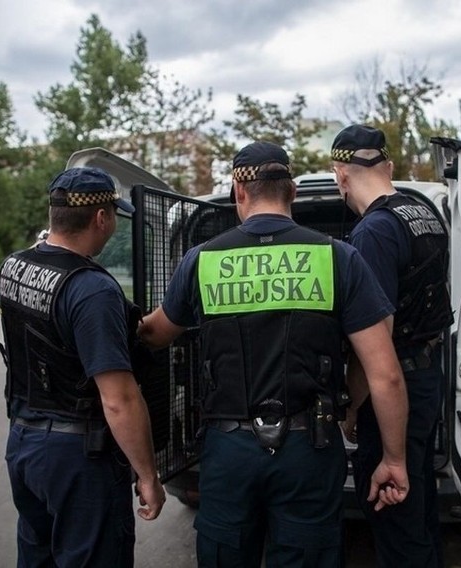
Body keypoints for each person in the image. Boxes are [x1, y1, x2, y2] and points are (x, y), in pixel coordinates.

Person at [138, 141, 408, 567]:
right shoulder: (339, 258)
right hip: (310, 451)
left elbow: (154, 334)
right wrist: (394, 458)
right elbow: (385, 375)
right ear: (293, 193)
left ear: (239, 192)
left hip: (228, 451)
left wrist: (107, 318)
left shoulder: (201, 260)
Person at [0, 166, 165, 567]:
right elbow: (119, 399)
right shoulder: (92, 289)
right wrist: (148, 475)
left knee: (38, 557)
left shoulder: (12, 268)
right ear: (101, 218)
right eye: (114, 218)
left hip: (24, 443)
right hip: (78, 458)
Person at [332, 125, 454, 568]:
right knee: (418, 513)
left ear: (340, 175)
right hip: (424, 378)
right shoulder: (423, 213)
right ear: (388, 166)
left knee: (395, 516)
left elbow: (375, 346)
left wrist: (350, 406)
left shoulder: (373, 233)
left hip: (394, 389)